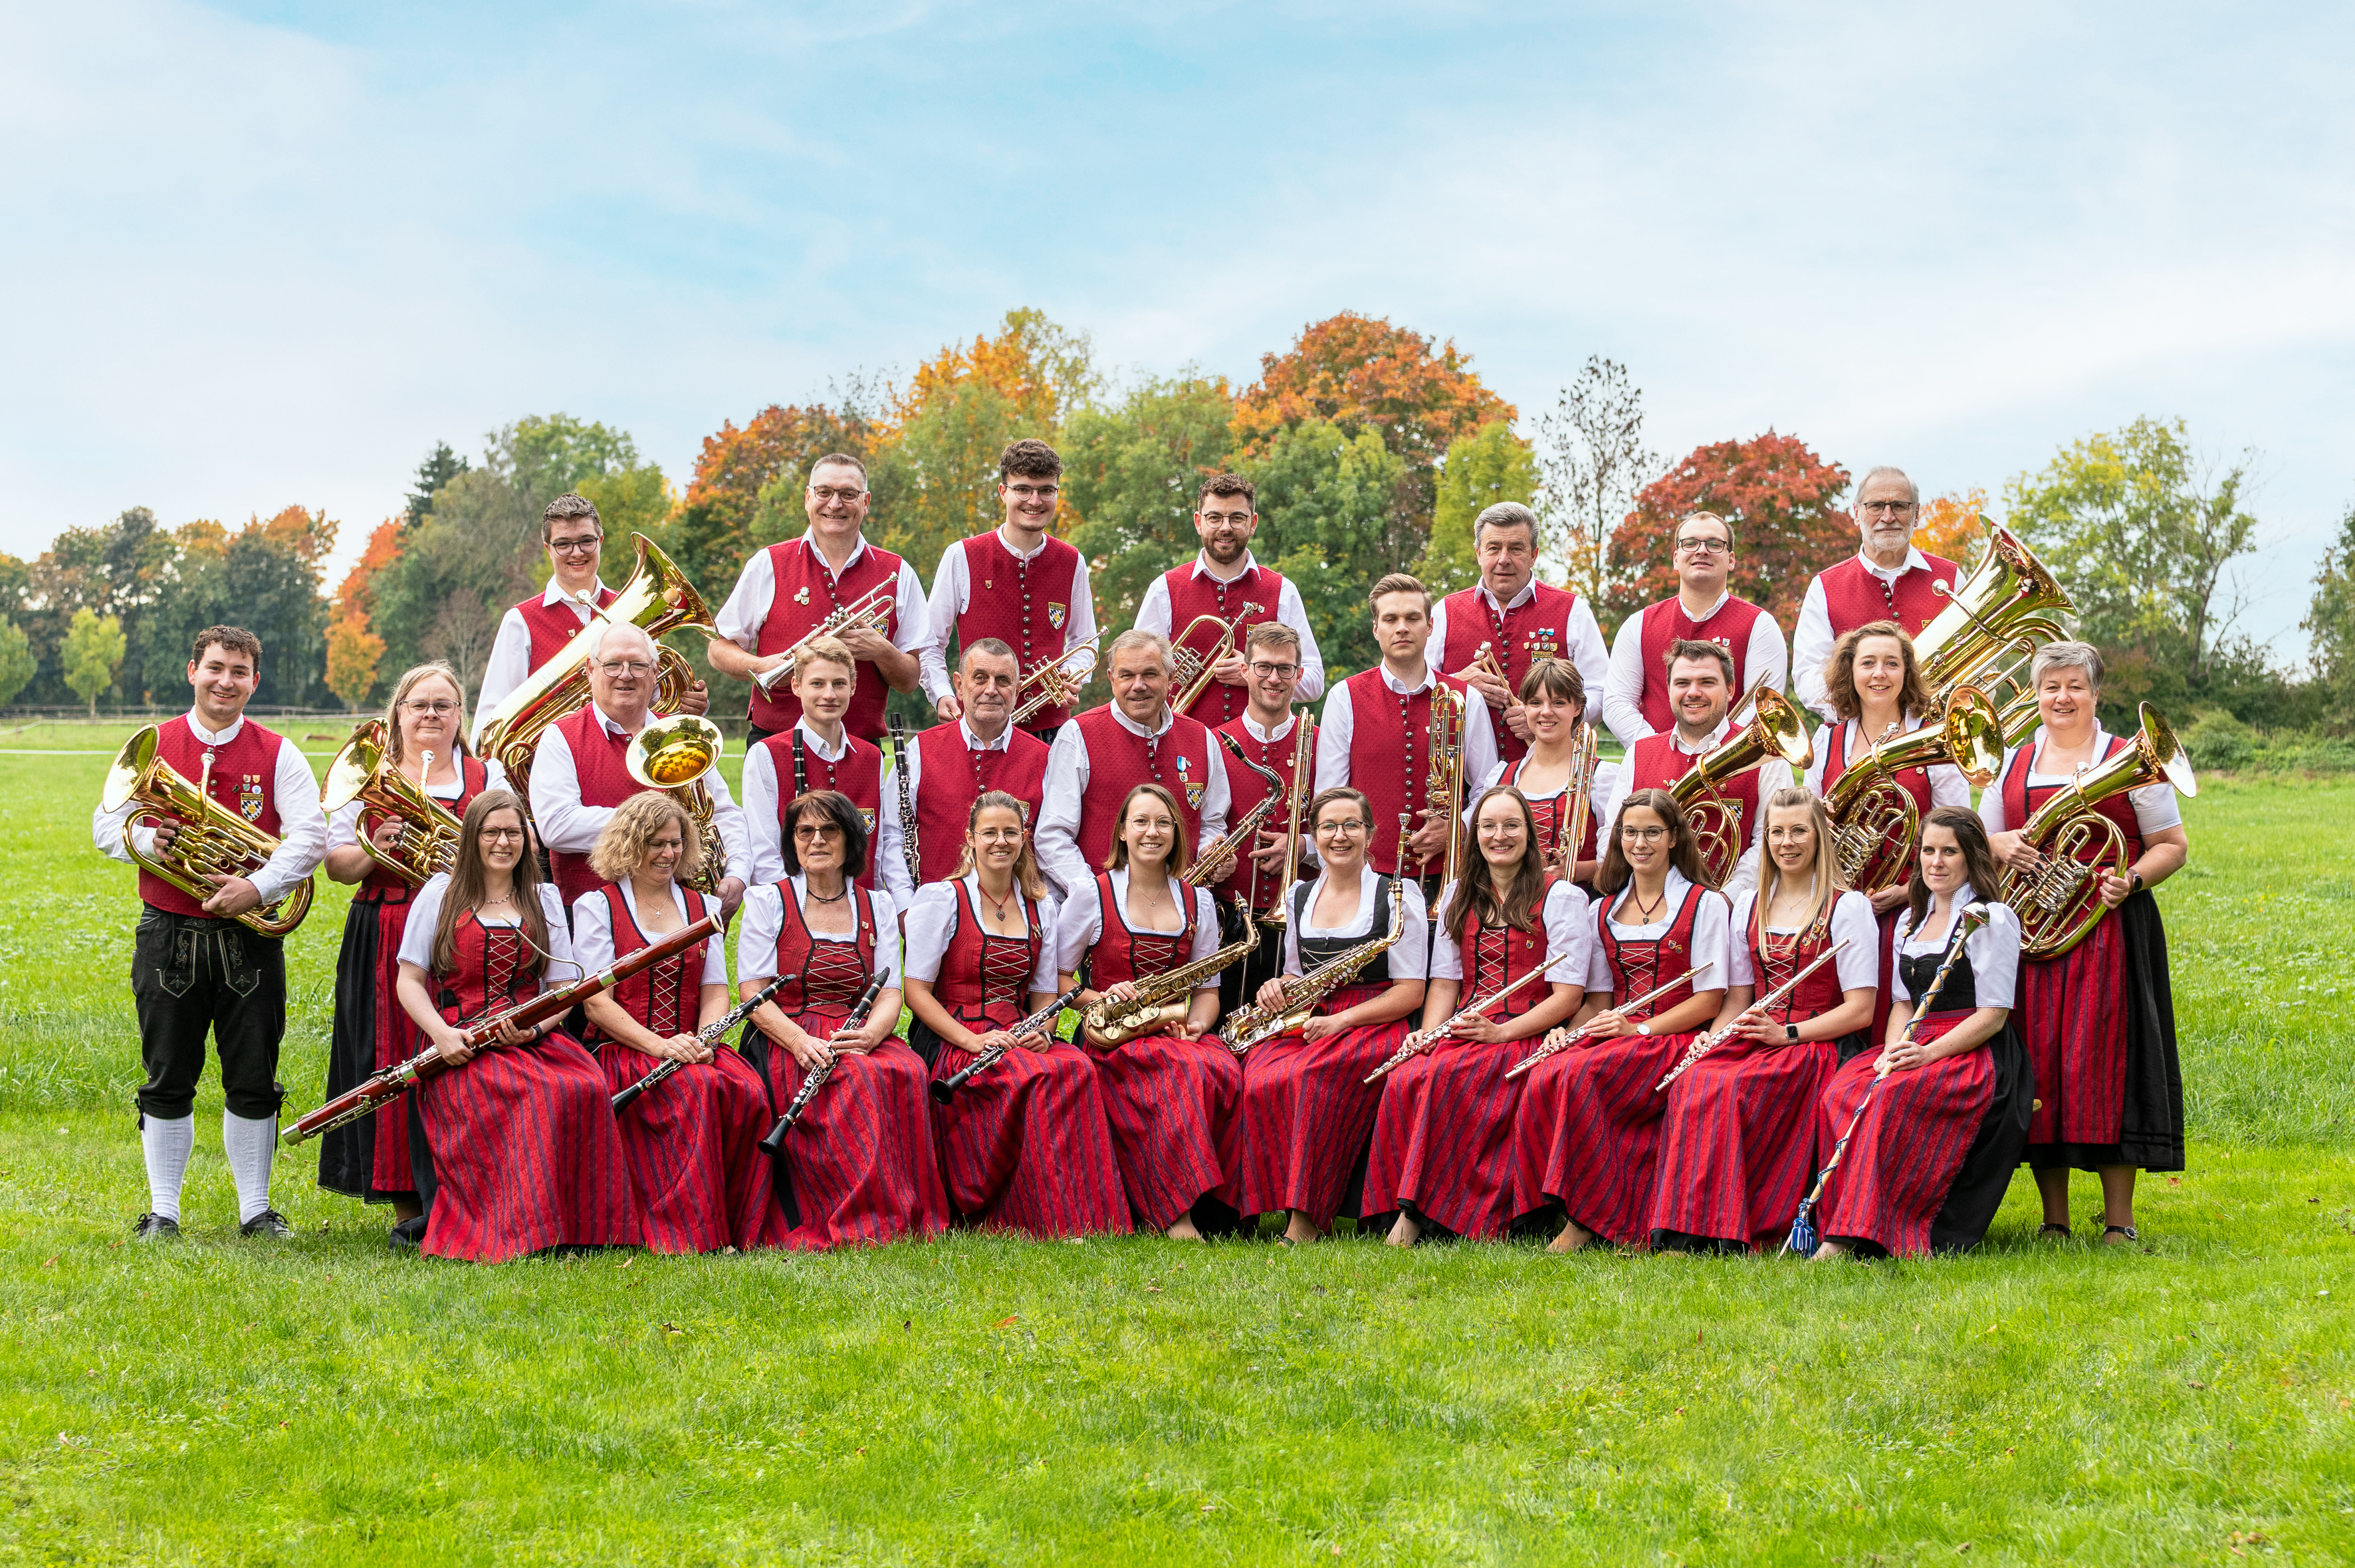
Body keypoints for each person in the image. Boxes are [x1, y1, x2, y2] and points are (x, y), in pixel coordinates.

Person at [93, 625, 326, 1243]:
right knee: (167, 1073)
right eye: (216, 667)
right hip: (167, 930)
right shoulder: (155, 743)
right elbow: (103, 825)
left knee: (253, 1072)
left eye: (239, 671)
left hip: (248, 938)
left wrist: (258, 887)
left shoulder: (280, 752)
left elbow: (309, 837)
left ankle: (256, 1209)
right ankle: (162, 1210)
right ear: (192, 670)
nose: (226, 680)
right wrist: (146, 840)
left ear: (256, 680)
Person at [1981, 641, 2189, 1242]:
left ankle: (2118, 1220)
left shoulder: (2129, 757)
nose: (2061, 697)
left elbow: (2171, 844)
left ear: (2095, 693)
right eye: (2050, 686)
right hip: (2033, 934)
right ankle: (2055, 1218)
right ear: (2036, 694)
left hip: (2108, 929)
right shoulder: (2011, 763)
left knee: (2110, 1067)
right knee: (2041, 1064)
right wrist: (2000, 845)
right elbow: (1986, 839)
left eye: (2074, 685)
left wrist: (2132, 879)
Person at [393, 791, 640, 1262]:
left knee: (583, 1085)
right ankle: (518, 1229)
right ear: (473, 837)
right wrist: (443, 1037)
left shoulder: (542, 897)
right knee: (532, 1096)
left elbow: (563, 982)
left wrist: (537, 1028)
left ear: (527, 840)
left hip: (531, 1037)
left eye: (513, 833)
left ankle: (578, 1228)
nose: (503, 842)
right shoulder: (440, 893)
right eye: (492, 832)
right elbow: (409, 980)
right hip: (462, 1041)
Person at [1647, 789, 1877, 1253]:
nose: (1786, 841)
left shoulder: (1847, 906)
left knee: (1730, 1089)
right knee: (1695, 1080)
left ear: (1819, 836)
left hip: (1814, 1043)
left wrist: (1787, 1033)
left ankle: (1735, 1227)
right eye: (1776, 831)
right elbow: (1738, 997)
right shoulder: (1750, 904)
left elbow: (1860, 1010)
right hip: (1759, 1034)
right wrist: (1710, 1040)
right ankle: (1686, 1228)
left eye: (1798, 830)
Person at [318, 662, 500, 1242]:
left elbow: (512, 843)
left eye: (442, 705)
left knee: (463, 1050)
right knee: (392, 1054)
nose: (430, 715)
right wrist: (376, 848)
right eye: (418, 704)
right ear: (397, 712)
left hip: (468, 928)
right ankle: (405, 1202)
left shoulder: (485, 772)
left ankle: (465, 1189)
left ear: (458, 716)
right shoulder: (365, 774)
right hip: (389, 923)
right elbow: (338, 865)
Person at [1362, 786, 1588, 1246]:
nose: (1499, 835)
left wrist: (1501, 1033)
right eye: (1488, 826)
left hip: (1528, 1029)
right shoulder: (1456, 894)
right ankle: (1409, 1208)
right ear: (1474, 835)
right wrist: (1425, 1036)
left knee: (1448, 1074)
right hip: (1470, 1025)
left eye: (1510, 825)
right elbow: (1446, 984)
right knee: (1407, 1077)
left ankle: (1423, 1215)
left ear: (1530, 833)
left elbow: (1567, 997)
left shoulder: (1560, 896)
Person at [902, 792, 1129, 1236]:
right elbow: (917, 992)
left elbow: (1045, 994)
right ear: (970, 838)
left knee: (1075, 1067)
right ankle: (1025, 1213)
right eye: (989, 832)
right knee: (1035, 1077)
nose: (1000, 841)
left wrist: (1044, 1031)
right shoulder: (941, 898)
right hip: (955, 1035)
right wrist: (971, 1041)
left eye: (1010, 832)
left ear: (1024, 838)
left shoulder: (1040, 905)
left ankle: (1088, 1216)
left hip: (1016, 1032)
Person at [1513, 789, 1730, 1253]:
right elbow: (1597, 1002)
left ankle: (1585, 1222)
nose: (1640, 842)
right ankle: (1557, 1209)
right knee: (1545, 1072)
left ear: (1674, 838)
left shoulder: (1705, 904)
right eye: (1630, 832)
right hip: (1619, 1035)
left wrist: (1640, 1029)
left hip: (1671, 1035)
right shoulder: (1601, 909)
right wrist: (1567, 1034)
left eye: (1652, 832)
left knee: (1581, 1076)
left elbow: (1709, 999)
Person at [1810, 807, 2031, 1260]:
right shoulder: (1911, 920)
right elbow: (1903, 1004)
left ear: (1971, 857)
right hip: (1916, 1039)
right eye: (1928, 850)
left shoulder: (1991, 917)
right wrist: (1893, 1049)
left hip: (1975, 1053)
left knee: (1890, 1097)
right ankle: (1844, 1222)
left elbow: (1992, 1015)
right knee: (1842, 1091)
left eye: (1949, 852)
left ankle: (1863, 1233)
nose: (1936, 861)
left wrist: (1927, 1057)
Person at [738, 789, 946, 1250]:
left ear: (850, 840)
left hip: (857, 1029)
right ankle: (854, 1218)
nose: (815, 840)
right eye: (804, 831)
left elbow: (890, 990)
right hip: (787, 1029)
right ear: (791, 840)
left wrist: (873, 1033)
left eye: (829, 830)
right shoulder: (767, 900)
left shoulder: (878, 905)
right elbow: (752, 993)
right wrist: (796, 1040)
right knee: (856, 1079)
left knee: (905, 1069)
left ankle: (899, 1212)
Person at [576, 793, 783, 1254]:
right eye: (655, 843)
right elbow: (597, 1005)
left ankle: (740, 1226)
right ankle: (689, 1232)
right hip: (625, 1048)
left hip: (691, 1043)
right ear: (630, 845)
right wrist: (660, 1046)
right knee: (695, 1092)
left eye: (675, 842)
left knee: (746, 1091)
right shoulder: (597, 906)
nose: (668, 853)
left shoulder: (701, 904)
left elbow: (714, 991)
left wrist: (704, 1038)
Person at [1226, 786, 1430, 1246]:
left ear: (1370, 833)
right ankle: (1255, 1207)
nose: (1340, 836)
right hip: (1314, 1014)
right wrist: (1274, 987)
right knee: (1257, 1072)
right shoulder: (1299, 895)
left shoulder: (1397, 895)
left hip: (1373, 1018)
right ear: (1313, 836)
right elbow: (1297, 975)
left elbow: (1410, 992)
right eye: (1328, 827)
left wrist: (1342, 1021)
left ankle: (1306, 1217)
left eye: (1351, 825)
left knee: (1312, 1075)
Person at [1056, 784, 1244, 1240]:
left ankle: (1220, 1210)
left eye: (1162, 822)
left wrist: (1198, 1024)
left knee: (1225, 1069)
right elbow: (1057, 981)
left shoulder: (1196, 899)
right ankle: (1175, 1214)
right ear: (1122, 831)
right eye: (1140, 822)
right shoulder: (1090, 893)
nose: (1151, 832)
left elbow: (1208, 987)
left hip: (1177, 1030)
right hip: (1114, 1037)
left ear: (1176, 832)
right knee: (1179, 1073)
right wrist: (1100, 997)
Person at [1803, 621, 1976, 1039]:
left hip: (1909, 905)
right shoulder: (1827, 740)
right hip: (1836, 907)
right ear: (1850, 672)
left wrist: (1911, 889)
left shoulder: (1936, 739)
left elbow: (1956, 831)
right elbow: (1805, 815)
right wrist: (1815, 821)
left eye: (1891, 664)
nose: (1879, 673)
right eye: (1868, 663)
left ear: (1907, 673)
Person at [528, 622, 751, 911]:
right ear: (590, 669)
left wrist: (737, 873)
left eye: (638, 665)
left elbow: (724, 812)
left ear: (656, 672)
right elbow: (557, 826)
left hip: (682, 910)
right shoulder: (560, 736)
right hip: (593, 917)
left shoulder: (681, 734)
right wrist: (658, 826)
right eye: (612, 664)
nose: (625, 675)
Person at [707, 453, 927, 744]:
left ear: (866, 502)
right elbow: (718, 649)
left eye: (848, 494)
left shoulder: (899, 573)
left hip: (859, 748)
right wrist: (765, 667)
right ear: (808, 498)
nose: (835, 504)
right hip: (775, 742)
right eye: (824, 492)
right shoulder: (769, 563)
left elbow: (910, 680)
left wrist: (881, 651)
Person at [471, 493, 710, 747]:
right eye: (563, 544)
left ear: (600, 541)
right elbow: (493, 718)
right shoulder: (520, 620)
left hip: (626, 761)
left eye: (586, 541)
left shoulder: (640, 612)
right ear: (547, 548)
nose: (576, 553)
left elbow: (658, 697)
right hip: (546, 765)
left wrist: (691, 706)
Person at [1313, 573, 1499, 884]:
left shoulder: (1467, 699)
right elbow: (1329, 797)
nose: (1402, 627)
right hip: (1365, 877)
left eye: (1413, 617)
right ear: (1376, 629)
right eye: (1390, 619)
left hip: (1452, 876)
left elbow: (1488, 789)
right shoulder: (1344, 696)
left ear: (1429, 627)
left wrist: (1460, 828)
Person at [1035, 629, 1234, 903]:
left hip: (1180, 908)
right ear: (1112, 679)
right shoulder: (1078, 735)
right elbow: (1052, 835)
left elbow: (1212, 822)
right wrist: (1098, 897)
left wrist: (1212, 852)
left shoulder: (1203, 738)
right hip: (1100, 915)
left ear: (1171, 678)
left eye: (1150, 674)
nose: (1138, 685)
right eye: (1127, 675)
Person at [919, 439, 1097, 741]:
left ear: (1057, 492)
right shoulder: (962, 556)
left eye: (1046, 490)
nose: (1035, 501)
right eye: (1023, 489)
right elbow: (929, 642)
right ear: (1003, 492)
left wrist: (1073, 675)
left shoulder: (1072, 561)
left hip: (1050, 728)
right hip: (977, 725)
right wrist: (940, 694)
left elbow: (1085, 640)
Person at [1595, 639, 1792, 892]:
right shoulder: (1639, 753)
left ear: (1731, 689)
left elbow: (1769, 842)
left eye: (1707, 682)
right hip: (1648, 906)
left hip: (1732, 913)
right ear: (1668, 689)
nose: (1694, 692)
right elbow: (1612, 834)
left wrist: (1725, 900)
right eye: (1682, 683)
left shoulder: (1765, 756)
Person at [1133, 472, 1326, 727]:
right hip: (1183, 749)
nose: (1225, 527)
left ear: (1253, 523)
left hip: (1258, 750)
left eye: (1237, 518)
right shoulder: (1164, 589)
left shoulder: (1283, 591)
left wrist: (1255, 674)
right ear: (1198, 522)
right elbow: (1136, 673)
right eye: (1214, 518)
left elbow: (1314, 682)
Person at [1428, 502, 1608, 762]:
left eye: (1516, 549)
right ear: (1479, 554)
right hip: (1461, 783)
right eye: (1493, 548)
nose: (1504, 559)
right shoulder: (1444, 612)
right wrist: (1457, 686)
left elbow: (1600, 690)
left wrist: (1549, 719)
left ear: (1534, 555)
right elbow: (1415, 687)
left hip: (1549, 778)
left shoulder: (1573, 611)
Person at [881, 638, 1052, 903]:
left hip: (1016, 916)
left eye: (1003, 681)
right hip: (934, 912)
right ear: (959, 686)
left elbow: (1052, 844)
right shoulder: (920, 751)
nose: (991, 690)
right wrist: (905, 905)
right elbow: (892, 833)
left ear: (1017, 690)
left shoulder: (1045, 759)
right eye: (980, 678)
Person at [1601, 510, 1787, 746]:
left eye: (1714, 544)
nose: (1702, 550)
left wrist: (1717, 756)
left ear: (1731, 560)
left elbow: (1762, 708)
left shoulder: (1760, 625)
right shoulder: (1638, 624)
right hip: (1654, 771)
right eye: (1690, 543)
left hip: (1730, 770)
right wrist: (1660, 752)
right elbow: (1617, 703)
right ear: (1676, 558)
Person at [1791, 467, 1962, 721]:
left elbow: (1979, 658)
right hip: (1855, 740)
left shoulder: (1951, 578)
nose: (1888, 516)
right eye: (1876, 506)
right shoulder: (1824, 586)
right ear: (1857, 513)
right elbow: (1809, 673)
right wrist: (1865, 716)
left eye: (1900, 506)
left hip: (1939, 735)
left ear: (1916, 515)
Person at [1210, 623, 1316, 1021]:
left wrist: (1304, 847)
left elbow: (1345, 828)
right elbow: (1203, 820)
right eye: (1263, 667)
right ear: (1245, 671)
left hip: (1303, 919)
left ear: (1299, 676)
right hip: (1228, 917)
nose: (1274, 678)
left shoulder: (1322, 740)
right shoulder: (1213, 740)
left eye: (1285, 669)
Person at [740, 635, 895, 892]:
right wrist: (791, 909)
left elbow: (878, 850)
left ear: (853, 687)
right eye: (817, 684)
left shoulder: (872, 757)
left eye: (839, 684)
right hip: (792, 907)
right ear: (796, 686)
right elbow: (764, 850)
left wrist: (878, 905)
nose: (829, 695)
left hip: (861, 908)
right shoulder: (765, 754)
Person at [1461, 659, 1618, 887]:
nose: (1546, 712)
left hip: (1576, 908)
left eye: (1558, 703)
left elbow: (1622, 858)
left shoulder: (1602, 777)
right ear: (1524, 706)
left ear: (1577, 708)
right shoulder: (1501, 776)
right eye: (1536, 702)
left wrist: (1578, 870)